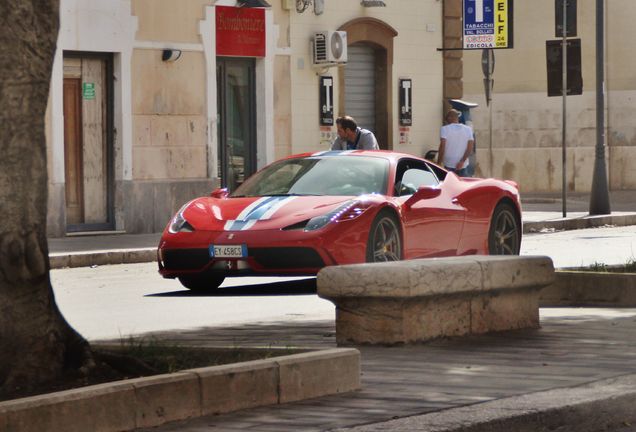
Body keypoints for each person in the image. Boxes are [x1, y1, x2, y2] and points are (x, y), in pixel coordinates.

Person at [437, 109, 474, 177]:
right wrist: (462, 161)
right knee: (463, 186)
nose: (446, 121)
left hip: (448, 164)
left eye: (446, 118)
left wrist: (438, 163)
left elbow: (442, 147)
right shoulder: (468, 129)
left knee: (449, 186)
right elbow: (470, 147)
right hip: (463, 165)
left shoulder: (444, 129)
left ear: (449, 118)